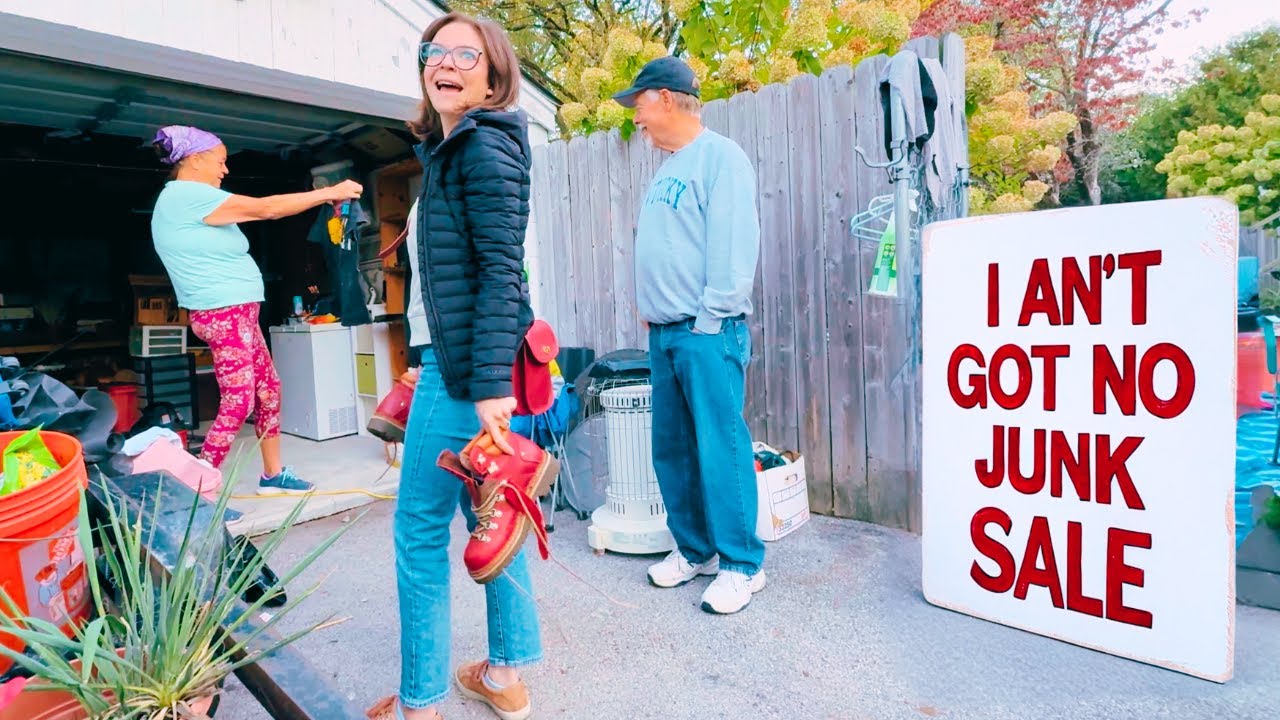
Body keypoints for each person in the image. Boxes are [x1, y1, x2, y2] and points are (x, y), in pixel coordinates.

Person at [365, 12, 543, 720]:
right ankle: (503, 675)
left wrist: (490, 384)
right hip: (458, 362)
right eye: (434, 51)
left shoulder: (480, 150)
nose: (446, 62)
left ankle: (420, 704)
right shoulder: (451, 152)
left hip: (470, 371)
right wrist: (416, 364)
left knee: (417, 532)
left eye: (465, 53)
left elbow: (504, 270)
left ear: (494, 73)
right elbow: (448, 283)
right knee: (497, 510)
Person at [613, 57, 766, 615]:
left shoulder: (721, 157)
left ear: (667, 99)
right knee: (672, 449)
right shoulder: (668, 167)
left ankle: (742, 565)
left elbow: (733, 247)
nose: (637, 118)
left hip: (707, 331)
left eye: (640, 106)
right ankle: (697, 550)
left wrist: (709, 320)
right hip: (667, 334)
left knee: (720, 448)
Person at [150, 125, 363, 503]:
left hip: (238, 313)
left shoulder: (193, 199)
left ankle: (273, 474)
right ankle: (197, 496)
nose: (225, 170)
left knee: (268, 390)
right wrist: (330, 192)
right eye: (220, 162)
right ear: (194, 161)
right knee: (238, 401)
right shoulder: (187, 196)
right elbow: (268, 209)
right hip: (223, 313)